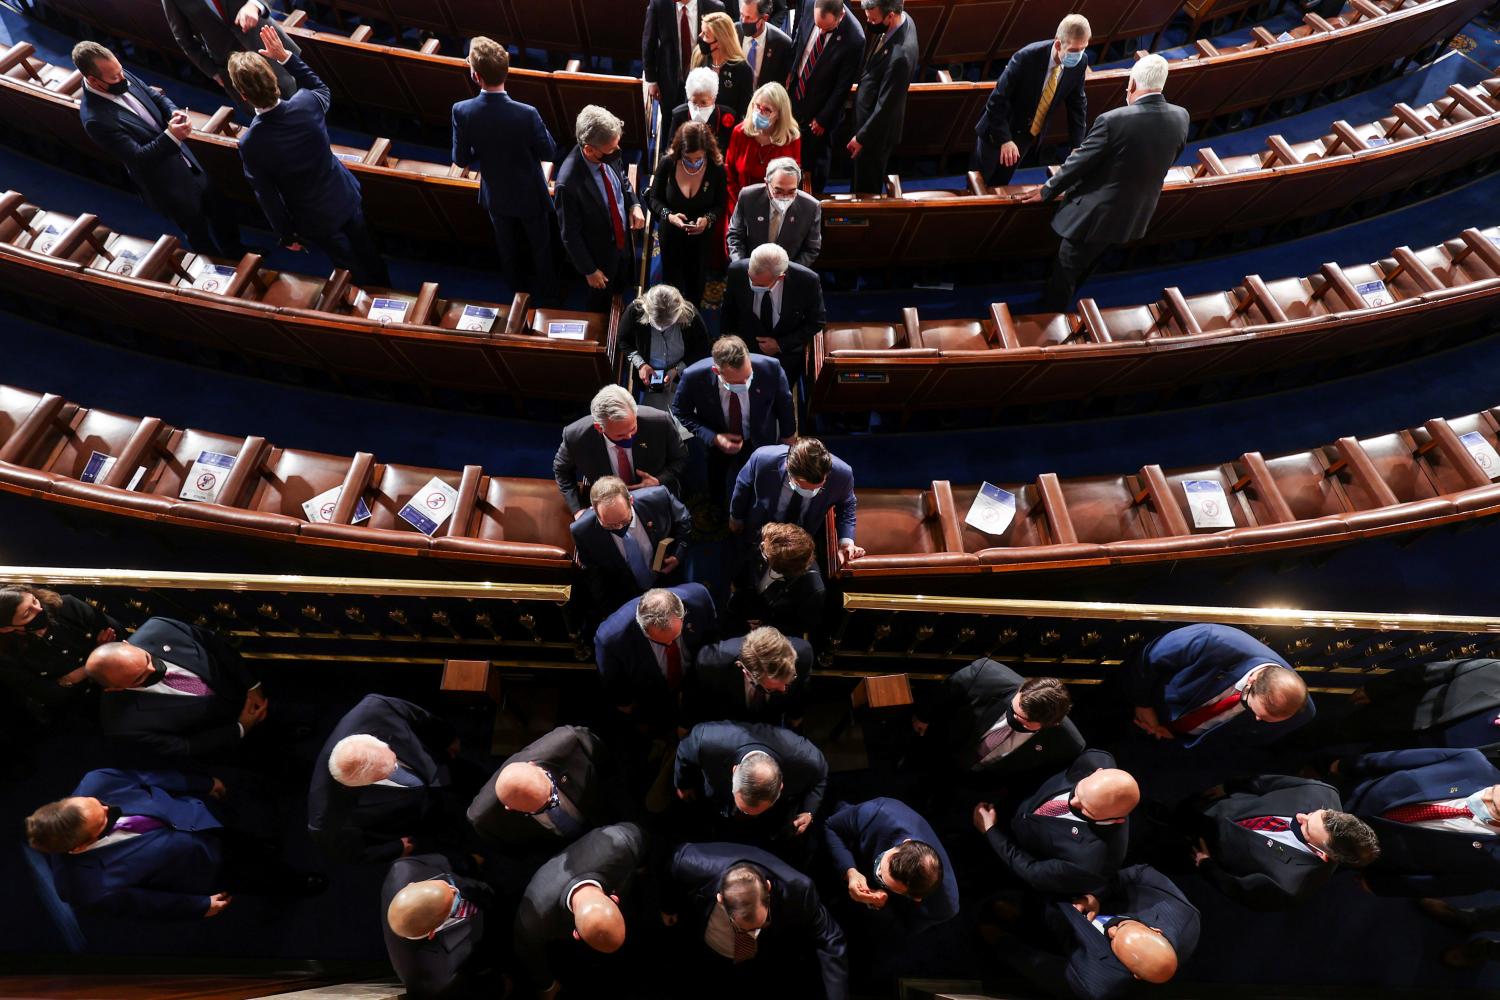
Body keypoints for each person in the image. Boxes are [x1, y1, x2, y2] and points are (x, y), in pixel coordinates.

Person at [26, 767, 322, 920]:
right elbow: (145, 904)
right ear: (78, 847)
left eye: (97, 804)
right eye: (101, 821)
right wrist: (197, 906)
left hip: (201, 817)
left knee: (247, 842)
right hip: (205, 868)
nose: (110, 808)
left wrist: (201, 783)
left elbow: (151, 777)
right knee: (258, 877)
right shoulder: (85, 887)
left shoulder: (97, 782)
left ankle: (261, 848)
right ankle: (294, 883)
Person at [1023, 53, 1189, 311]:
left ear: (1132, 84)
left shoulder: (1114, 120)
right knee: (1089, 263)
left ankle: (1051, 318)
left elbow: (1079, 162)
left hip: (1094, 215)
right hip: (1134, 214)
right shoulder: (1181, 116)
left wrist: (1047, 190)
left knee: (1066, 268)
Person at [229, 27, 389, 286]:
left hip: (314, 217)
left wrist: (286, 234)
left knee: (348, 266)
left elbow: (267, 196)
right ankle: (386, 289)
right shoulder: (307, 103)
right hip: (344, 193)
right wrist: (284, 56)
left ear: (243, 96)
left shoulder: (250, 143)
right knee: (369, 252)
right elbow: (318, 84)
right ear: (273, 78)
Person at [72, 41, 242, 259]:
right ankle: (219, 266)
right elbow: (138, 158)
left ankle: (235, 251)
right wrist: (173, 136)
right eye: (114, 78)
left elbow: (156, 98)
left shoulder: (117, 74)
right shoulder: (95, 119)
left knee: (220, 208)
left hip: (186, 160)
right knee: (197, 231)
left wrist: (174, 114)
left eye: (121, 71)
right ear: (93, 80)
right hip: (167, 184)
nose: (122, 78)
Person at [665, 842, 848, 1000]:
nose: (751, 933)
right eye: (742, 928)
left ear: (768, 887)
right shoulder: (691, 862)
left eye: (762, 922)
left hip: (763, 958)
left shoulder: (799, 889)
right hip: (707, 952)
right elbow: (667, 865)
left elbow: (830, 938)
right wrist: (668, 906)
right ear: (720, 898)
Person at [451, 36, 558, 305]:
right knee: (541, 249)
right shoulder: (528, 113)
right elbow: (549, 152)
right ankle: (549, 299)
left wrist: (483, 150)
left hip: (496, 194)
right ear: (506, 70)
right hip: (530, 194)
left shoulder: (462, 111)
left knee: (507, 249)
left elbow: (460, 159)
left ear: (476, 76)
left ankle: (517, 297)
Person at [992, 864, 1199, 1000]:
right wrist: (1096, 896)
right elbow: (1140, 872)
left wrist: (1000, 942)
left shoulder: (1100, 983)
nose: (1111, 931)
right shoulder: (1180, 910)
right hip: (1088, 888)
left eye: (1114, 941)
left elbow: (1041, 966)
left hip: (1055, 936)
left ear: (1134, 974)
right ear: (1155, 930)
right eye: (1121, 927)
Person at [307, 694, 464, 864]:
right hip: (409, 815)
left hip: (434, 763)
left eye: (391, 761)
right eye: (382, 776)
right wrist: (395, 848)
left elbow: (419, 717)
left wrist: (447, 738)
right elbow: (341, 851)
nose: (394, 770)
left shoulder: (375, 708)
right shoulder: (325, 809)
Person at [85, 616, 266, 763]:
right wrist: (240, 728)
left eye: (147, 659)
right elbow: (185, 747)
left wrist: (252, 686)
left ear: (126, 644)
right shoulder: (123, 727)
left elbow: (215, 643)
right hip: (237, 742)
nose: (154, 670)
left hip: (255, 687)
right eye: (140, 677)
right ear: (114, 689)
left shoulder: (159, 628)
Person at [1184, 776, 1379, 910]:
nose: (1300, 816)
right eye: (1315, 813)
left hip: (1205, 850)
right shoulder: (1321, 791)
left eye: (1307, 829)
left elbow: (1241, 891)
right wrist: (1228, 787)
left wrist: (1207, 866)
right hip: (1217, 806)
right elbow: (1262, 782)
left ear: (1323, 854)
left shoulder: (1290, 886)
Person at [974, 749, 1139, 895]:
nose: (1072, 802)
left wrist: (991, 831)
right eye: (1078, 792)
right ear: (1097, 771)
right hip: (1008, 796)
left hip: (1005, 853)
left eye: (1086, 810)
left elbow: (1032, 872)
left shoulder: (1093, 861)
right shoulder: (1095, 759)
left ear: (1116, 820)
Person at [1341, 747, 1500, 896]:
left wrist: (1378, 886)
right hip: (1347, 797)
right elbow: (1392, 760)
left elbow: (1439, 885)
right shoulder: (1472, 762)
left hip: (1353, 851)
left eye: (1493, 806)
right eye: (1492, 792)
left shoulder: (1492, 863)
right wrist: (1347, 765)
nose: (1483, 798)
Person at [1126, 624, 1315, 749]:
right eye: (1250, 707)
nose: (1256, 718)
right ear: (1252, 680)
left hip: (1186, 747)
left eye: (1265, 719)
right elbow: (1148, 659)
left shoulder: (1300, 713)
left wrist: (1178, 740)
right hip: (1146, 708)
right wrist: (1143, 704)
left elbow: (1243, 741)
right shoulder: (1212, 640)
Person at [513, 822, 648, 997]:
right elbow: (526, 950)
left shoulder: (623, 843)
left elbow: (644, 838)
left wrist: (642, 868)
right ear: (575, 934)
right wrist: (547, 985)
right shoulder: (534, 919)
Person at [911, 660, 1084, 782]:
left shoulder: (1068, 744)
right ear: (1023, 688)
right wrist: (924, 716)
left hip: (978, 784)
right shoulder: (986, 674)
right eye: (1013, 710)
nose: (1013, 719)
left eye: (1023, 721)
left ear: (1052, 724)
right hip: (941, 747)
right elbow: (945, 692)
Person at [672, 335, 796, 501]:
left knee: (760, 479)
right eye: (736, 382)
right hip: (717, 442)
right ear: (717, 371)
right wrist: (714, 437)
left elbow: (785, 402)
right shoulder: (693, 376)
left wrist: (788, 435)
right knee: (717, 479)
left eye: (748, 377)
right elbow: (681, 411)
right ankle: (718, 504)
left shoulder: (770, 368)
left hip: (760, 438)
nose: (745, 385)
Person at [467, 725, 625, 855]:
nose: (554, 803)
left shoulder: (569, 740)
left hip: (600, 810)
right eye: (543, 808)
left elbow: (604, 762)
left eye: (553, 793)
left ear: (536, 766)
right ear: (510, 808)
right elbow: (515, 853)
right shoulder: (484, 820)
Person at [974, 15, 1091, 188]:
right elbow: (996, 101)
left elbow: (1077, 106)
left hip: (1026, 135)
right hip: (997, 131)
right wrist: (1004, 139)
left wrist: (1076, 146)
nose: (1079, 55)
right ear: (1058, 44)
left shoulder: (1081, 63)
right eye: (1074, 50)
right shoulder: (1026, 57)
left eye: (1084, 48)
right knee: (980, 185)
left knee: (1001, 186)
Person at [674, 720, 827, 844]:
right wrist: (683, 783)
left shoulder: (805, 758)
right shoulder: (706, 741)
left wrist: (809, 811)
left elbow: (821, 775)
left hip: (771, 821)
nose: (748, 815)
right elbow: (684, 750)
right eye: (745, 810)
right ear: (734, 770)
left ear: (780, 786)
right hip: (717, 801)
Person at [823, 797, 958, 937]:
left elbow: (900, 930)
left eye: (882, 879)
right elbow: (831, 826)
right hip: (856, 840)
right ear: (906, 842)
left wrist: (879, 906)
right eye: (882, 860)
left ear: (915, 898)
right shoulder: (880, 812)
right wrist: (850, 871)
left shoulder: (943, 907)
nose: (877, 871)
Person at [555, 105, 646, 311]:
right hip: (600, 255)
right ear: (589, 149)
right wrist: (589, 270)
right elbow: (570, 234)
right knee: (600, 301)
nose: (617, 152)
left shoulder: (608, 149)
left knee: (622, 282)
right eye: (612, 149)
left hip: (622, 238)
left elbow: (622, 178)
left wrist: (634, 204)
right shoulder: (568, 184)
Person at [553, 384, 689, 516]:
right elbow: (561, 470)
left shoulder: (660, 422)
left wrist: (658, 480)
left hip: (656, 498)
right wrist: (577, 509)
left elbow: (680, 458)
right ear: (599, 428)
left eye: (633, 428)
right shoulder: (576, 436)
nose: (630, 437)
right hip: (609, 509)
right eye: (621, 435)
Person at [594, 585, 717, 726]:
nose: (671, 643)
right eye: (661, 643)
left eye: (675, 636)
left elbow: (711, 637)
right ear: (642, 628)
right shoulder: (612, 639)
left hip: (694, 682)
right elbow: (613, 681)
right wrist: (626, 704)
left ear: (682, 614)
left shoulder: (699, 599)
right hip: (651, 697)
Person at [571, 475, 693, 614]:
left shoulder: (658, 497)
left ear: (631, 500)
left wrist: (678, 554)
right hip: (625, 594)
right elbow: (594, 576)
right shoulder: (583, 531)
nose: (618, 528)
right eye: (610, 525)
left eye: (624, 521)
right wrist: (609, 612)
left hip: (668, 579)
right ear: (594, 511)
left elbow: (684, 521)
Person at [729, 436, 862, 561]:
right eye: (803, 487)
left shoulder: (842, 474)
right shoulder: (763, 459)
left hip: (804, 541)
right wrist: (736, 517)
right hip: (760, 532)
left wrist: (846, 542)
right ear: (788, 469)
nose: (811, 492)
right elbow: (743, 485)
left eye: (818, 488)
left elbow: (847, 505)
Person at [382, 853, 496, 998]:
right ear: (432, 932)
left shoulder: (403, 868)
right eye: (453, 901)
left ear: (412, 885)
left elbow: (444, 862)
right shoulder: (441, 980)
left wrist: (470, 861)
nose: (454, 890)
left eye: (446, 885)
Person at [1326, 657, 1500, 750]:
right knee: (1330, 731)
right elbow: (1428, 673)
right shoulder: (1496, 671)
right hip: (1395, 715)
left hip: (1415, 757)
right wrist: (1375, 689)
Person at [0, 584, 118, 722]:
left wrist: (68, 679)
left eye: (34, 600)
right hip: (76, 710)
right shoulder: (6, 654)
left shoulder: (67, 605)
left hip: (115, 678)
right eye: (27, 613)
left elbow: (116, 632)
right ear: (6, 628)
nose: (39, 609)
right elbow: (50, 695)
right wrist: (99, 655)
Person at [721, 242, 825, 396]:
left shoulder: (807, 281)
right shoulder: (737, 271)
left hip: (785, 356)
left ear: (780, 277)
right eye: (751, 279)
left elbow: (816, 322)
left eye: (759, 284)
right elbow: (728, 312)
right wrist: (729, 347)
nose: (752, 285)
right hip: (744, 350)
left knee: (777, 395)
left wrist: (780, 345)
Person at [646, 121, 727, 310]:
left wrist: (707, 219)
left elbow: (720, 205)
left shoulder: (717, 169)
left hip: (701, 236)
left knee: (696, 281)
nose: (692, 163)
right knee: (671, 280)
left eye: (698, 158)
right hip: (671, 233)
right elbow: (654, 198)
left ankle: (692, 316)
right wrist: (669, 216)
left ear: (707, 151)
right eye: (687, 158)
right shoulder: (668, 163)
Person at [788, 0, 865, 193]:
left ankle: (814, 201)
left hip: (821, 108)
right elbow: (799, 35)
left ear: (840, 17)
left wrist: (823, 118)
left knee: (816, 160)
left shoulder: (855, 38)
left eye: (827, 28)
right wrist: (791, 69)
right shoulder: (808, 4)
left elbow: (842, 87)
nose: (821, 32)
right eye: (818, 26)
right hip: (796, 93)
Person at [161, 0, 300, 106]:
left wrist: (254, 5)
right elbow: (184, 40)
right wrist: (214, 73)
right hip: (232, 66)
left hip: (268, 43)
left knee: (311, 99)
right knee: (276, 124)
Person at [848, 0, 918, 195]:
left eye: (873, 18)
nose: (869, 22)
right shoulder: (901, 20)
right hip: (869, 121)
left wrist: (862, 137)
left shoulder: (901, 56)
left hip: (875, 135)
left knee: (865, 186)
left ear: (890, 15)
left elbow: (886, 106)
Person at [682, 625, 813, 729]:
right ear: (746, 672)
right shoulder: (712, 664)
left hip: (773, 722)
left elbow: (801, 687)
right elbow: (695, 695)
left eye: (791, 678)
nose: (784, 689)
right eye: (770, 689)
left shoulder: (803, 656)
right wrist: (686, 724)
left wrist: (796, 714)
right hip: (729, 721)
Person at [644, 0, 729, 146]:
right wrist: (651, 80)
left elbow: (725, 44)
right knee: (670, 124)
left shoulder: (714, 7)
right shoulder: (659, 4)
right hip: (670, 78)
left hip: (704, 83)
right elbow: (649, 42)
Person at [723, 522, 826, 638]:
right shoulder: (770, 542)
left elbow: (801, 627)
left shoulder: (813, 590)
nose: (761, 545)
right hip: (742, 605)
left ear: (779, 567)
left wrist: (766, 627)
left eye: (764, 552)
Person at [620, 284, 711, 410]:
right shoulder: (634, 311)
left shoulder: (690, 314)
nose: (662, 328)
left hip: (683, 375)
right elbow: (623, 341)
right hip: (649, 377)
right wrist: (640, 364)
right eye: (656, 324)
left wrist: (678, 369)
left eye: (668, 324)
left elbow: (702, 348)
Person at [724, 83, 801, 228]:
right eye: (757, 106)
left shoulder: (791, 138)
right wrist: (740, 207)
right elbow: (729, 175)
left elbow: (792, 180)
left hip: (777, 210)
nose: (759, 112)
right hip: (740, 206)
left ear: (779, 114)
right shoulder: (740, 132)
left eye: (767, 110)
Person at [727, 158, 822, 267]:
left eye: (791, 191)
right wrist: (742, 266)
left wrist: (787, 273)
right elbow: (735, 236)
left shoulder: (811, 207)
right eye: (778, 191)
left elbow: (811, 249)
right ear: (767, 184)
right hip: (750, 268)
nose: (785, 197)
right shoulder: (748, 197)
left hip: (788, 272)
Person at [693, 12, 756, 121]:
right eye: (701, 32)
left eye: (706, 35)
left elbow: (745, 113)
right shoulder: (699, 57)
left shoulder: (742, 70)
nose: (700, 37)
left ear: (720, 41)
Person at [667, 66, 740, 155]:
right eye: (694, 102)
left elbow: (732, 153)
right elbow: (671, 150)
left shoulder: (727, 116)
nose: (698, 107)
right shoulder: (679, 115)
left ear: (713, 99)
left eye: (703, 102)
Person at [738, 0, 795, 89]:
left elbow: (780, 85)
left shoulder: (783, 44)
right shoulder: (733, 32)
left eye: (749, 17)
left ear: (764, 18)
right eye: (742, 15)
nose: (743, 21)